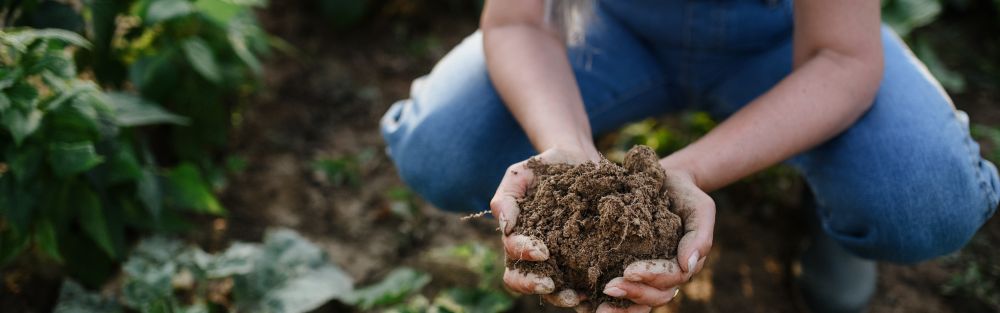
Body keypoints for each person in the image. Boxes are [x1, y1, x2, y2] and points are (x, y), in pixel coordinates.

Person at [379, 0, 1000, 312]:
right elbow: (518, 20)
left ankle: (838, 220)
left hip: (792, 40)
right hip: (607, 25)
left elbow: (841, 58)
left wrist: (685, 172)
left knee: (922, 200)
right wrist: (568, 153)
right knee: (444, 150)